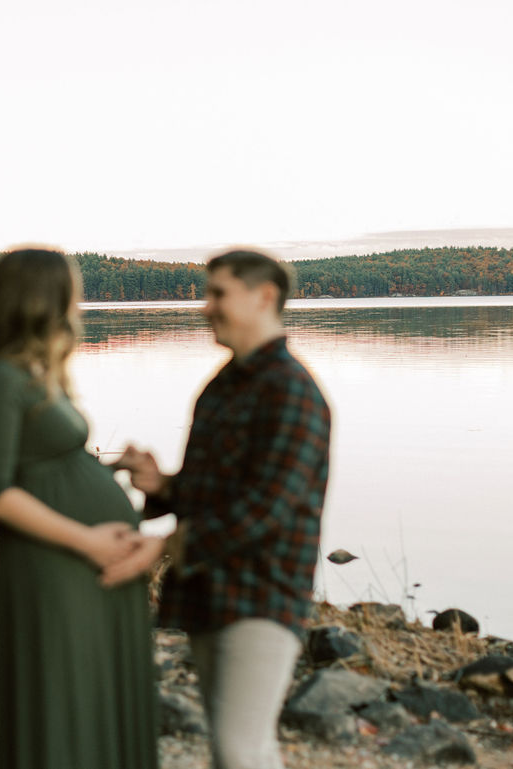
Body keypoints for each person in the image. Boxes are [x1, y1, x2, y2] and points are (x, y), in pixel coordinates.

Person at [104, 248, 332, 769]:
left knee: (240, 749)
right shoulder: (223, 385)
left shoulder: (292, 391)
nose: (205, 306)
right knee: (238, 749)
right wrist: (161, 485)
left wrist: (165, 544)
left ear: (264, 297)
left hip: (263, 591)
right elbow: (215, 493)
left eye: (218, 294)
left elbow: (267, 507)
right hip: (209, 586)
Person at [0, 247, 158, 769]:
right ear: (44, 299)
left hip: (85, 558)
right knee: (63, 688)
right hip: (55, 560)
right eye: (72, 292)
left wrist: (112, 469)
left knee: (94, 685)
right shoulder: (4, 377)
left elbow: (45, 468)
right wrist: (88, 540)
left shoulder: (37, 371)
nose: (79, 304)